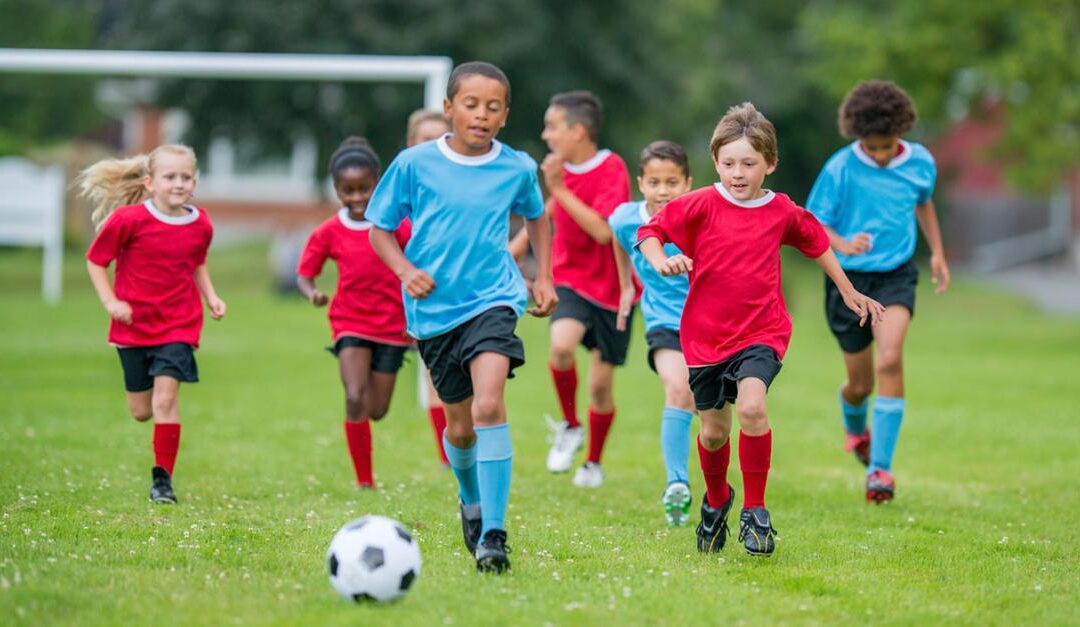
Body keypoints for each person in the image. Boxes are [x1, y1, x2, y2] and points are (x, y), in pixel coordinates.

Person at [637, 103, 884, 556]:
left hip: (762, 332)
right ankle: (716, 501)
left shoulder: (781, 211)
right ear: (715, 162)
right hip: (705, 338)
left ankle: (755, 510)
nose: (738, 172)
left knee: (752, 408)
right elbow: (650, 231)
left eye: (749, 163)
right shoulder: (698, 204)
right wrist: (660, 260)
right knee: (713, 432)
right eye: (729, 163)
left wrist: (848, 291)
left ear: (769, 164)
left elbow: (818, 243)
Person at [366, 61, 557, 574]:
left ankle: (494, 533)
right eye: (470, 104)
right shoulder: (413, 164)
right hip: (433, 311)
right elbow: (379, 229)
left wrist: (543, 277)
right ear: (449, 108)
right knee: (461, 428)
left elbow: (536, 215)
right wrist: (406, 270)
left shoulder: (516, 167)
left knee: (490, 404)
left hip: (494, 299)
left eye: (492, 107)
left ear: (505, 115)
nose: (481, 114)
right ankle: (470, 500)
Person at [805, 80, 950, 503]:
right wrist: (844, 243)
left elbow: (924, 202)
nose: (882, 155)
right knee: (860, 386)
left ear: (901, 132)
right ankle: (855, 428)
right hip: (848, 284)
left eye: (888, 146)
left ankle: (880, 471)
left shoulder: (921, 162)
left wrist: (938, 252)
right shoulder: (839, 169)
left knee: (890, 359)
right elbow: (813, 225)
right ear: (858, 136)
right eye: (873, 148)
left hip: (895, 276)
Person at [80, 144, 226, 505]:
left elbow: (197, 262)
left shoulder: (201, 223)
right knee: (141, 411)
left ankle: (163, 482)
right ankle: (160, 468)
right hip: (133, 326)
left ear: (195, 180)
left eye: (186, 177)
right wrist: (111, 301)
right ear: (150, 182)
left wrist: (211, 296)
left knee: (166, 399)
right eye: (170, 176)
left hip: (179, 324)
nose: (179, 183)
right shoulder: (128, 220)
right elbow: (96, 261)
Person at [297, 137, 410, 489]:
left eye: (365, 188)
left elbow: (421, 261)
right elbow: (305, 273)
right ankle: (365, 481)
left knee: (377, 409)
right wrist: (313, 292)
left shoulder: (397, 225)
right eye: (348, 190)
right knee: (354, 396)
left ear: (378, 183)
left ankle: (366, 457)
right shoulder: (329, 231)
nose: (357, 197)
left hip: (393, 326)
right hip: (350, 322)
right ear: (336, 190)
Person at [538, 90, 635, 487]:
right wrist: (513, 250)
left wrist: (559, 188)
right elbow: (543, 218)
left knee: (599, 385)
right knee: (561, 346)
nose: (546, 135)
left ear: (578, 131)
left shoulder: (611, 167)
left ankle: (592, 462)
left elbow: (601, 230)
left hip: (615, 291)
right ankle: (570, 425)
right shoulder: (559, 172)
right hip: (571, 280)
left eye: (553, 127)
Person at [609, 140, 696, 526]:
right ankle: (676, 483)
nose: (663, 191)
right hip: (663, 321)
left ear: (688, 183)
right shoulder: (625, 218)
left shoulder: (701, 217)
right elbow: (620, 241)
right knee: (678, 389)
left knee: (711, 413)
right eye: (655, 182)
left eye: (672, 182)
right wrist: (627, 286)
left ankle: (713, 481)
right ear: (640, 183)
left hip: (710, 322)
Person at [405, 109, 455, 468]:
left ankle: (468, 443)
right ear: (411, 144)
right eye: (426, 139)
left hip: (465, 294)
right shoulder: (400, 190)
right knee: (435, 373)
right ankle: (447, 456)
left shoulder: (464, 188)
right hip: (417, 297)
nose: (434, 147)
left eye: (441, 138)